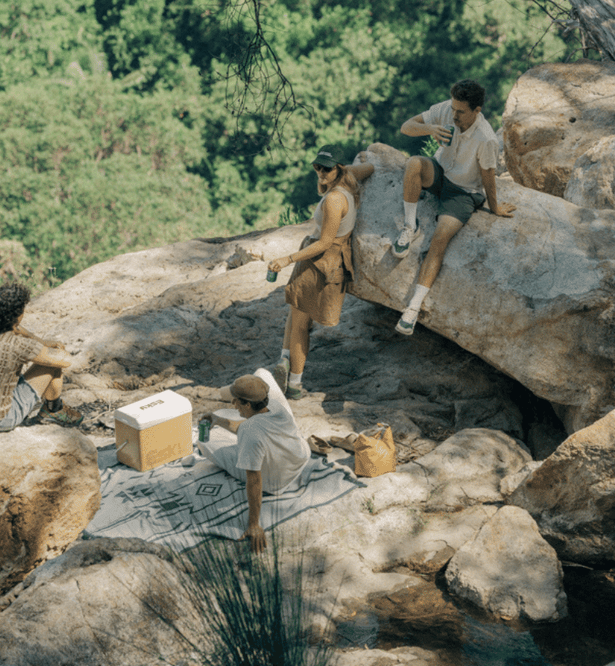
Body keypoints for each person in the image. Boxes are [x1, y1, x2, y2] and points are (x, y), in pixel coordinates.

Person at [390, 79, 515, 335]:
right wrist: (431, 129)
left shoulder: (486, 139)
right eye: (454, 108)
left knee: (439, 240)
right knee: (414, 163)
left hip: (463, 193)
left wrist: (495, 207)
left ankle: (412, 308)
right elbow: (406, 127)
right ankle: (409, 227)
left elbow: (488, 178)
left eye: (461, 111)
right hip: (439, 173)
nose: (454, 114)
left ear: (477, 110)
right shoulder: (447, 109)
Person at [266, 148, 375, 398]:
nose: (321, 173)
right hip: (325, 261)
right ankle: (284, 361)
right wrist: (351, 167)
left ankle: (294, 384)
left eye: (327, 168)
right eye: (318, 167)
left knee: (300, 325)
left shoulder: (335, 199)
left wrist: (286, 259)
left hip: (320, 262)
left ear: (338, 168)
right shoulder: (349, 179)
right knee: (295, 312)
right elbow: (369, 169)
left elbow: (325, 242)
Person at [198, 369, 311, 554]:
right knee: (262, 372)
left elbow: (254, 480)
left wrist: (254, 524)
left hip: (275, 482)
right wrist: (218, 420)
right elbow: (245, 425)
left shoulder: (250, 433)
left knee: (204, 443)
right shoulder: (274, 405)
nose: (233, 405)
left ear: (248, 405)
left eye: (237, 401)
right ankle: (223, 416)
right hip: (300, 456)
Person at [0, 282, 83, 430]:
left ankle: (53, 409)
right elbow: (65, 360)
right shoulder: (18, 345)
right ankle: (53, 410)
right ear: (18, 315)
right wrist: (49, 347)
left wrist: (40, 341)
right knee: (52, 366)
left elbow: (15, 328)